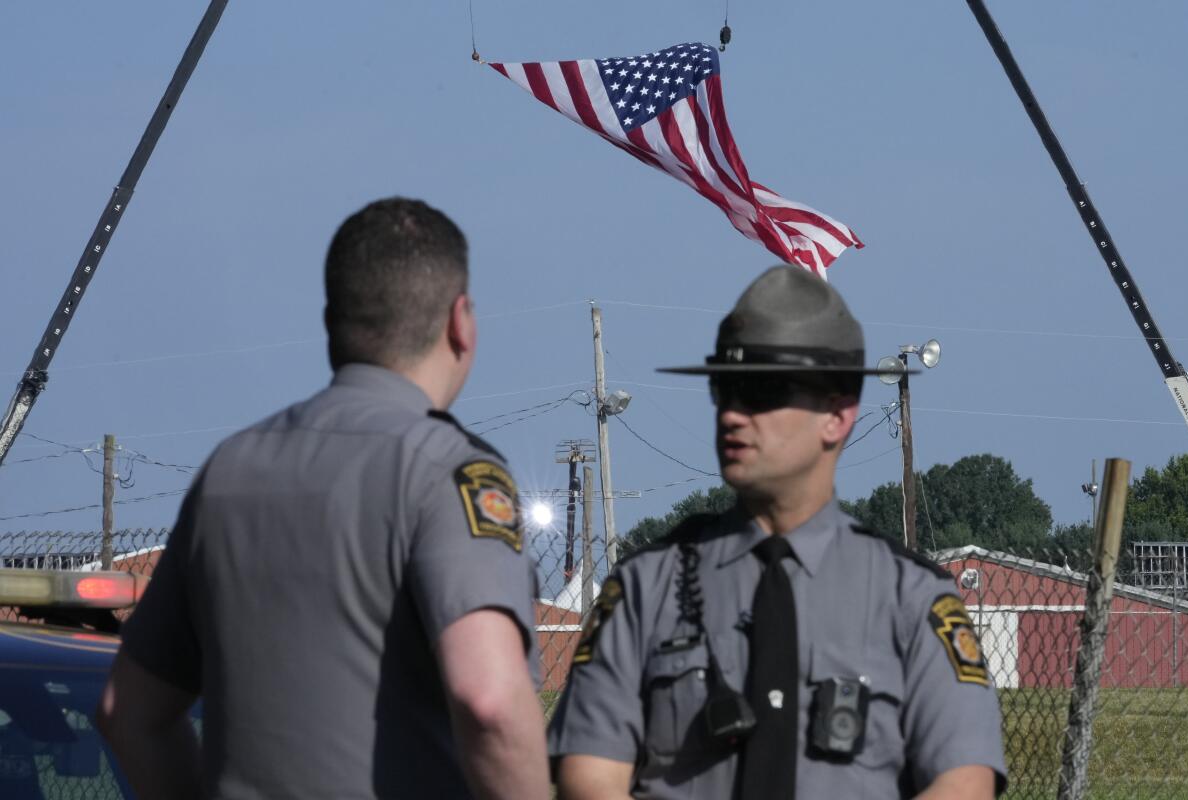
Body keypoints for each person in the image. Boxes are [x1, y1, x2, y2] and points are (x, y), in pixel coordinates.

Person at [96, 198, 551, 800]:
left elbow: (127, 712)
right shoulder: (449, 471)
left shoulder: (230, 471)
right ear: (459, 322)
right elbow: (489, 700)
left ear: (333, 322)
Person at [548, 265, 1007, 799]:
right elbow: (588, 776)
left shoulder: (911, 598)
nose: (733, 416)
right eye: (725, 388)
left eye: (761, 391)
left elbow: (964, 781)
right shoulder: (643, 590)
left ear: (837, 414)